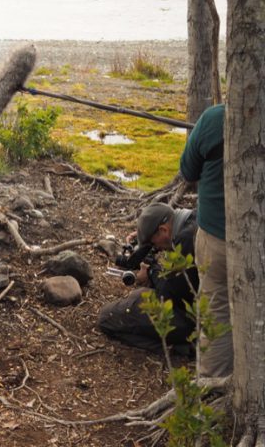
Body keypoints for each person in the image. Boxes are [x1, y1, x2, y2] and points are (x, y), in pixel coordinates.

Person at [98, 202, 199, 354]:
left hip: (196, 321)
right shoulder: (195, 218)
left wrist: (151, 271)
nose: (157, 248)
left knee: (106, 318)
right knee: (136, 298)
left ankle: (184, 349)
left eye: (153, 243)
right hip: (213, 309)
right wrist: (144, 238)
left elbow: (171, 294)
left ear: (163, 230)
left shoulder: (186, 240)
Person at [180, 103, 231, 377]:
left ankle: (214, 394)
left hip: (217, 238)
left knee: (216, 316)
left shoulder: (214, 118)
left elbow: (188, 171)